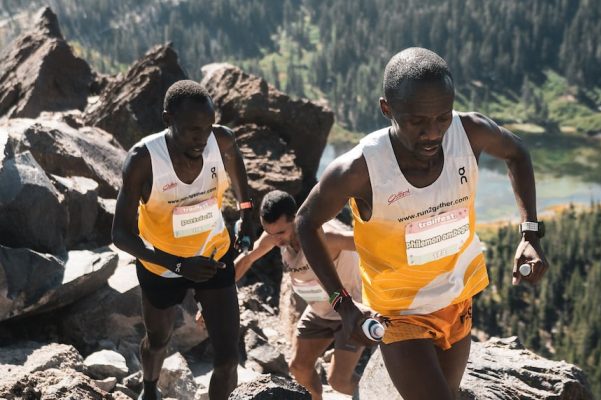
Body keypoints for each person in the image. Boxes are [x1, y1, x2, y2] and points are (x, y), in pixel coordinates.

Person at [295, 47, 549, 400]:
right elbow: (306, 222)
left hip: (458, 299)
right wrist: (343, 303)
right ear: (387, 109)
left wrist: (531, 234)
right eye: (417, 121)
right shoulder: (360, 169)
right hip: (399, 315)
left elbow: (518, 153)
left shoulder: (469, 132)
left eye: (442, 117)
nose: (433, 133)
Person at [112, 80, 255, 400]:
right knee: (158, 341)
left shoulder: (222, 140)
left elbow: (237, 168)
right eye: (192, 129)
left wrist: (247, 215)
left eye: (207, 127)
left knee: (229, 357)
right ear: (167, 120)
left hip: (214, 255)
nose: (202, 138)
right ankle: (149, 388)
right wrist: (177, 264)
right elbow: (120, 235)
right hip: (162, 265)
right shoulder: (144, 160)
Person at [202, 190, 365, 399]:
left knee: (339, 381)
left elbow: (367, 243)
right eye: (269, 232)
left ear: (295, 218)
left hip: (350, 308)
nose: (275, 239)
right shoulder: (273, 237)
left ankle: (376, 390)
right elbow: (246, 260)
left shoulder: (326, 236)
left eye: (280, 233)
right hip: (320, 310)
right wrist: (210, 301)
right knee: (298, 368)